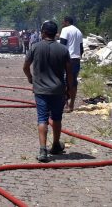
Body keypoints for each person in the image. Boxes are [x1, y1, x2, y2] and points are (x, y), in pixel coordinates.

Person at [23, 20, 73, 162]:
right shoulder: (63, 50)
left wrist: (30, 78)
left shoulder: (35, 47)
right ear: (55, 34)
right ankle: (56, 145)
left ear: (43, 32)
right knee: (57, 118)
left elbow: (25, 67)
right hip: (58, 90)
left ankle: (43, 151)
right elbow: (69, 73)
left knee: (42, 118)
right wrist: (69, 90)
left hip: (41, 91)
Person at [59, 16, 83, 112]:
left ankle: (65, 105)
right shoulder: (79, 32)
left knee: (63, 82)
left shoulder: (65, 30)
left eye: (63, 22)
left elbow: (62, 45)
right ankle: (71, 105)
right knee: (73, 83)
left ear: (67, 22)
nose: (62, 23)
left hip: (67, 59)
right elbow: (81, 48)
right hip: (76, 60)